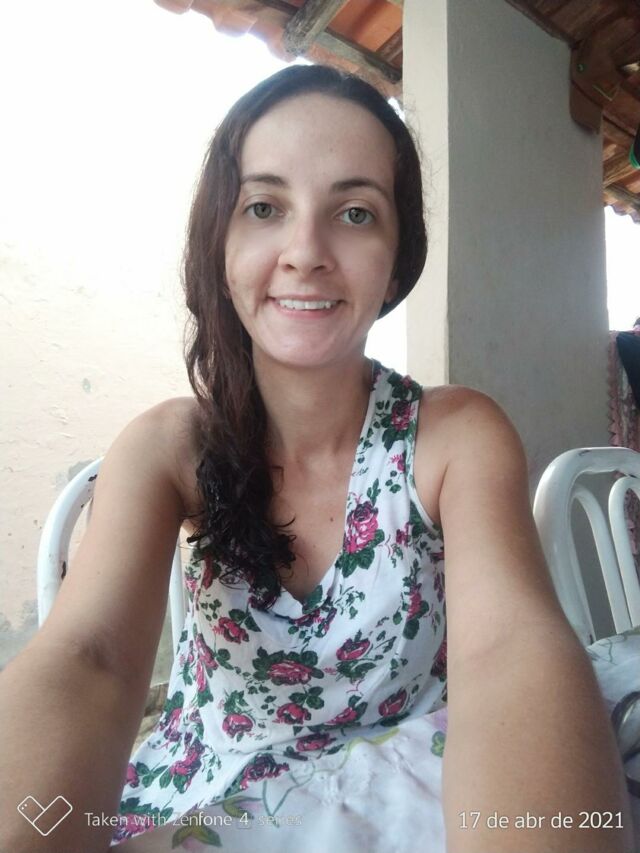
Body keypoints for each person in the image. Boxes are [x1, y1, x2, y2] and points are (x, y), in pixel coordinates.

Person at [0, 64, 633, 853]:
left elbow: (511, 651)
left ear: (398, 259)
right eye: (264, 207)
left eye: (355, 212)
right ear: (221, 243)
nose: (305, 251)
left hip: (406, 789)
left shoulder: (453, 436)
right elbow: (86, 658)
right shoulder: (167, 449)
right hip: (208, 803)